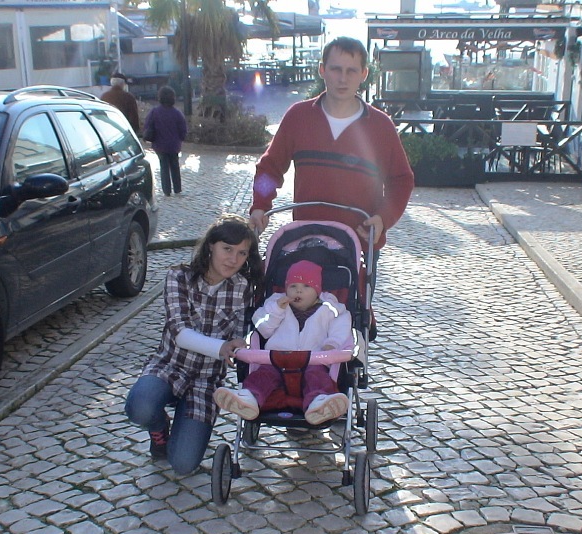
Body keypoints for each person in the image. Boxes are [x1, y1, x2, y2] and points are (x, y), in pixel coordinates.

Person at [250, 36, 414, 268]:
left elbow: (401, 180)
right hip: (306, 241)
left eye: (351, 71)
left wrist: (382, 219)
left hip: (359, 245)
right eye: (336, 69)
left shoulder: (381, 126)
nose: (343, 79)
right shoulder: (298, 117)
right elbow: (270, 168)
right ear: (322, 70)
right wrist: (260, 205)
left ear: (364, 74)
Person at [125, 216, 263, 475]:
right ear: (211, 245)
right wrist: (222, 347)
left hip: (206, 380)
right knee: (140, 408)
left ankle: (185, 425)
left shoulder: (243, 288)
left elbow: (239, 336)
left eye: (242, 253)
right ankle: (159, 427)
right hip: (169, 366)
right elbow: (180, 333)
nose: (233, 259)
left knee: (183, 464)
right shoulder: (179, 277)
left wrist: (243, 345)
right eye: (227, 249)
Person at [213, 260, 352, 426]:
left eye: (306, 286)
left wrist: (332, 344)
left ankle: (319, 403)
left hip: (314, 360)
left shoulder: (331, 308)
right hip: (276, 360)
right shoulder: (275, 304)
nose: (298, 290)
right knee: (262, 376)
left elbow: (341, 326)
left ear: (317, 291)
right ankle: (249, 398)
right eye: (293, 286)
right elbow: (262, 328)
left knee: (318, 378)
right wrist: (277, 310)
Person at [143, 85, 188, 197]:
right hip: (174, 145)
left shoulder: (154, 112)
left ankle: (166, 190)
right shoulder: (177, 113)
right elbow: (183, 129)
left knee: (164, 167)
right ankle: (177, 188)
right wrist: (181, 138)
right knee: (175, 166)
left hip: (159, 145)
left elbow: (147, 125)